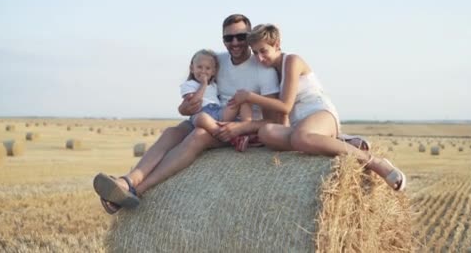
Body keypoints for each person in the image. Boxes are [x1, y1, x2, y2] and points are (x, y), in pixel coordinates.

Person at [93, 14, 281, 214]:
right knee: (170, 133)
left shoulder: (263, 69)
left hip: (237, 127)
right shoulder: (217, 61)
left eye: (240, 37)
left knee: (198, 136)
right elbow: (188, 103)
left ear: (249, 36)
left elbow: (274, 120)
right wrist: (185, 108)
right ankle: (127, 181)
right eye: (228, 38)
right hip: (208, 115)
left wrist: (241, 127)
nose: (234, 43)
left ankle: (137, 191)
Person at [228, 24, 406, 191]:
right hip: (300, 126)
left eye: (264, 51)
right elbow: (282, 117)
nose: (259, 58)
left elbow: (285, 106)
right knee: (266, 133)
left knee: (300, 139)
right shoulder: (270, 72)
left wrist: (249, 97)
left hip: (320, 113)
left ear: (277, 44)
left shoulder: (292, 61)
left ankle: (373, 162)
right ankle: (338, 142)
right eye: (256, 52)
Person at [180, 49, 253, 144]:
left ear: (213, 72)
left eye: (207, 68)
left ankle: (247, 130)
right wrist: (203, 84)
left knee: (242, 100)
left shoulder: (214, 85)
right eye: (199, 67)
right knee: (201, 118)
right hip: (202, 113)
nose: (203, 71)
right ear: (192, 68)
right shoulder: (189, 84)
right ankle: (229, 138)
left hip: (219, 111)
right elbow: (194, 102)